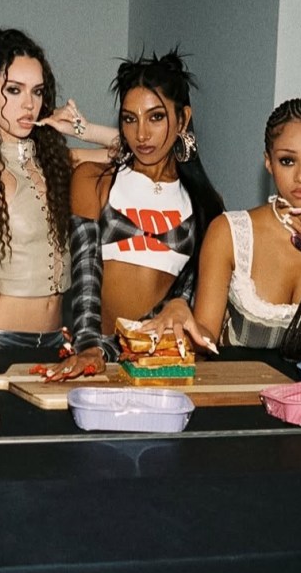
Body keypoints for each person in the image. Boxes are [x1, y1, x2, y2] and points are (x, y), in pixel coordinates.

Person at [143, 98, 301, 361]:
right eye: (287, 161)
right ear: (269, 162)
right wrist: (181, 313)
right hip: (238, 384)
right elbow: (206, 339)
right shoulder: (229, 232)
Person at [48, 49, 224, 379]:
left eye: (155, 117)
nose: (141, 134)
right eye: (130, 119)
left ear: (183, 118)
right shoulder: (93, 180)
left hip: (161, 366)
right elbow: (85, 279)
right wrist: (91, 348)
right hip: (93, 361)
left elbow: (190, 309)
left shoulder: (206, 206)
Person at [0, 28, 117, 350]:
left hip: (56, 341)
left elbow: (138, 151)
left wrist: (82, 129)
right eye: (14, 90)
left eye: (37, 92)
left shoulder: (58, 165)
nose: (29, 104)